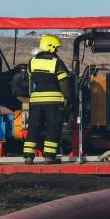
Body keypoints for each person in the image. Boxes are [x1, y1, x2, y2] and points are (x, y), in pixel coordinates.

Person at [24, 34, 70, 164]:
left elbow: (30, 79)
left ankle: (28, 156)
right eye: (56, 48)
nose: (57, 51)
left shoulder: (32, 62)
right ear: (51, 47)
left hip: (36, 101)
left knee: (33, 127)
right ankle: (49, 157)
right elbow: (64, 82)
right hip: (54, 102)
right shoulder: (56, 62)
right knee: (52, 127)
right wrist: (68, 98)